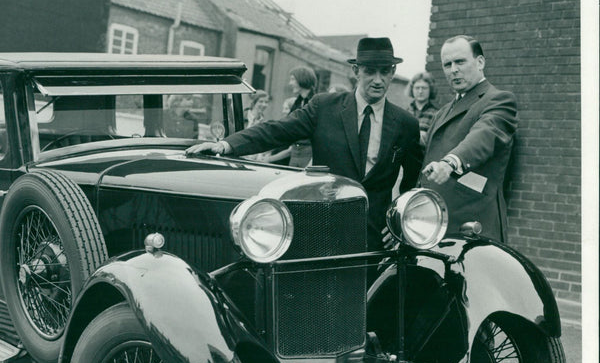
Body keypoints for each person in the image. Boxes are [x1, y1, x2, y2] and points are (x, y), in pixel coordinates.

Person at [187, 37, 423, 251]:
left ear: (393, 72)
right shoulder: (324, 107)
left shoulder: (405, 124)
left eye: (385, 71)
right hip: (322, 230)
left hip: (373, 239)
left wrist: (399, 223)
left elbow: (413, 182)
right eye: (370, 71)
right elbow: (277, 130)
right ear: (355, 71)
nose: (378, 80)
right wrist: (227, 145)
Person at [419, 35, 518, 242]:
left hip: (473, 228)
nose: (453, 69)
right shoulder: (442, 112)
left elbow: (483, 135)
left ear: (480, 62)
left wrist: (450, 162)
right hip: (434, 228)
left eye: (460, 62)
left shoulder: (498, 100)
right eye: (447, 64)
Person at [259, 67, 317, 167]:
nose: (290, 83)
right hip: (295, 153)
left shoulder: (315, 102)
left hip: (308, 155)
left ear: (302, 79)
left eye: (293, 79)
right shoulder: (297, 103)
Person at [406, 71, 438, 146]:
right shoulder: (405, 113)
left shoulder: (437, 114)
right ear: (412, 90)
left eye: (424, 88)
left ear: (430, 90)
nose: (420, 91)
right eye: (417, 88)